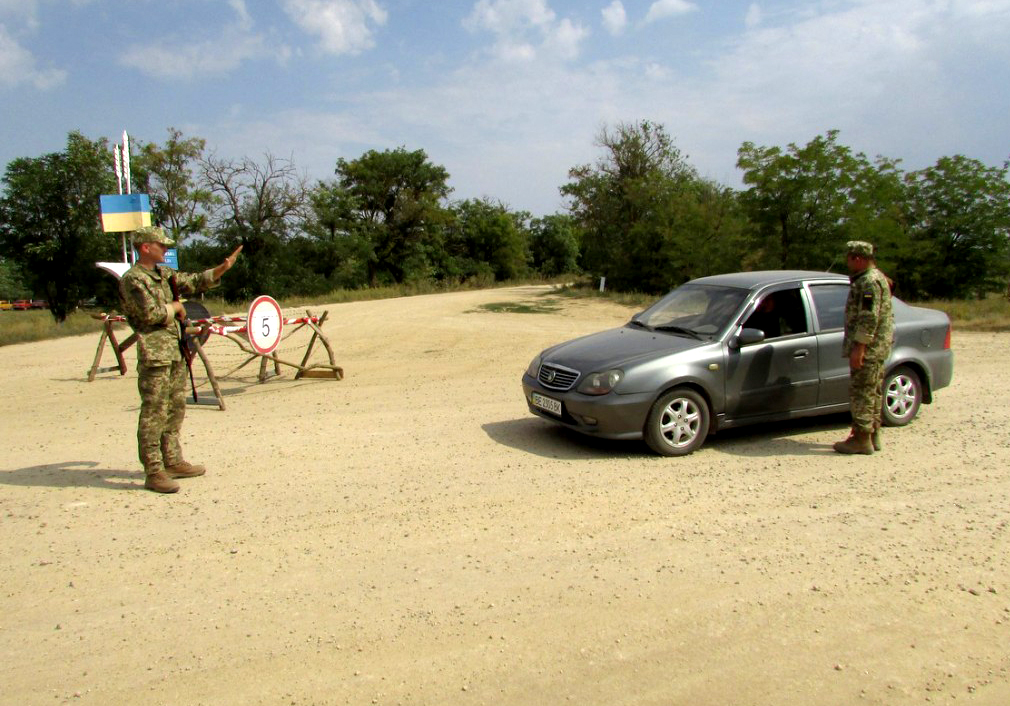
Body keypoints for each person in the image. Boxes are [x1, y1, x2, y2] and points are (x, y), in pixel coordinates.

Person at [119, 226, 243, 493]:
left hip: (175, 349)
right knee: (154, 412)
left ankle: (172, 460)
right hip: (155, 353)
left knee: (176, 408)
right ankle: (154, 471)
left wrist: (222, 269)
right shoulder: (133, 279)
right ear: (145, 248)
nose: (165, 249)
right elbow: (148, 314)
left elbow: (195, 281)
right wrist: (175, 307)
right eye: (161, 245)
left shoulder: (164, 274)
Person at [833, 240, 894, 455]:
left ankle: (861, 439)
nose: (847, 262)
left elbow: (868, 318)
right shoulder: (877, 278)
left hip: (869, 348)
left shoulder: (868, 283)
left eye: (849, 258)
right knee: (874, 391)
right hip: (877, 347)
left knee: (862, 392)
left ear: (858, 258)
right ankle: (872, 434)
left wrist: (859, 348)